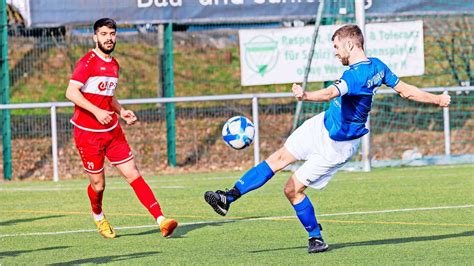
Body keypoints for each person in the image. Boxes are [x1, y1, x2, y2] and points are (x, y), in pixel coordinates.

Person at [204, 24, 451, 253]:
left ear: (351, 45)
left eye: (336, 47)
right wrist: (438, 99)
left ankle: (315, 237)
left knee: (292, 189)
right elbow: (406, 91)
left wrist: (305, 95)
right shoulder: (377, 66)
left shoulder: (355, 76)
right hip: (322, 124)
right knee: (279, 157)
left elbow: (331, 92)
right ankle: (229, 196)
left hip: (337, 145)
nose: (335, 53)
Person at [66, 18, 178, 239]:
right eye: (104, 34)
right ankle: (98, 217)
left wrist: (121, 111)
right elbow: (71, 93)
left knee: (133, 173)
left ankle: (161, 219)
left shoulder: (114, 64)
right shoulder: (87, 63)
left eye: (112, 34)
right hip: (88, 134)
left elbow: (108, 96)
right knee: (98, 186)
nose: (109, 38)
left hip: (112, 132)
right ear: (95, 37)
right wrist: (97, 112)